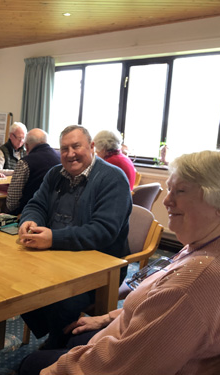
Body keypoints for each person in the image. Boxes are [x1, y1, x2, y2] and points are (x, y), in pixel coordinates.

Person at [19, 150, 220, 375]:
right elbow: (158, 311)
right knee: (65, 332)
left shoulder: (192, 284)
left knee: (31, 362)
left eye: (181, 191)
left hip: (117, 354)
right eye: (170, 189)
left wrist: (52, 370)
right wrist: (107, 318)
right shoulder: (219, 245)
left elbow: (121, 366)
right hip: (122, 330)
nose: (166, 200)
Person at [18, 125, 132, 349]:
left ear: (91, 147)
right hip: (55, 259)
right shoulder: (54, 174)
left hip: (98, 269)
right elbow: (36, 204)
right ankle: (55, 332)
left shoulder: (113, 179)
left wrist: (54, 239)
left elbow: (103, 231)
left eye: (76, 146)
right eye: (64, 149)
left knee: (62, 301)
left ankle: (58, 345)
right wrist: (29, 220)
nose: (70, 154)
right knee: (16, 282)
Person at [5, 128, 60, 215]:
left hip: (28, 215)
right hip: (55, 214)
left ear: (26, 146)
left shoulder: (25, 163)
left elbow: (12, 203)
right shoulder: (60, 158)